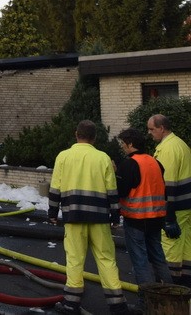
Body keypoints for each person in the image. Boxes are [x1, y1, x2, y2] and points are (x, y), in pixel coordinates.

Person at [49, 120, 133, 315]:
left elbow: (55, 189)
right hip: (100, 219)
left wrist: (53, 214)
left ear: (75, 134)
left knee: (75, 260)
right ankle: (117, 305)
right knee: (106, 259)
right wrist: (114, 216)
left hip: (74, 217)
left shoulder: (63, 157)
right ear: (95, 137)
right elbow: (112, 191)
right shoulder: (103, 158)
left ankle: (71, 303)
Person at [116, 127, 173, 310]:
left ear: (130, 144)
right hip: (156, 218)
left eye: (124, 144)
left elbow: (122, 191)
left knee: (140, 262)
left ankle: (146, 303)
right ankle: (169, 297)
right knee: (158, 258)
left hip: (136, 219)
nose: (123, 147)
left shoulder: (130, 164)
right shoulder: (155, 162)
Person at [148, 113, 191, 287]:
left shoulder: (168, 150)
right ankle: (186, 285)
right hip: (186, 204)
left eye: (152, 129)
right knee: (186, 244)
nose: (149, 133)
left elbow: (167, 184)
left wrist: (169, 215)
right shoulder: (180, 144)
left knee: (170, 246)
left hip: (175, 207)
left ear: (161, 128)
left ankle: (170, 287)